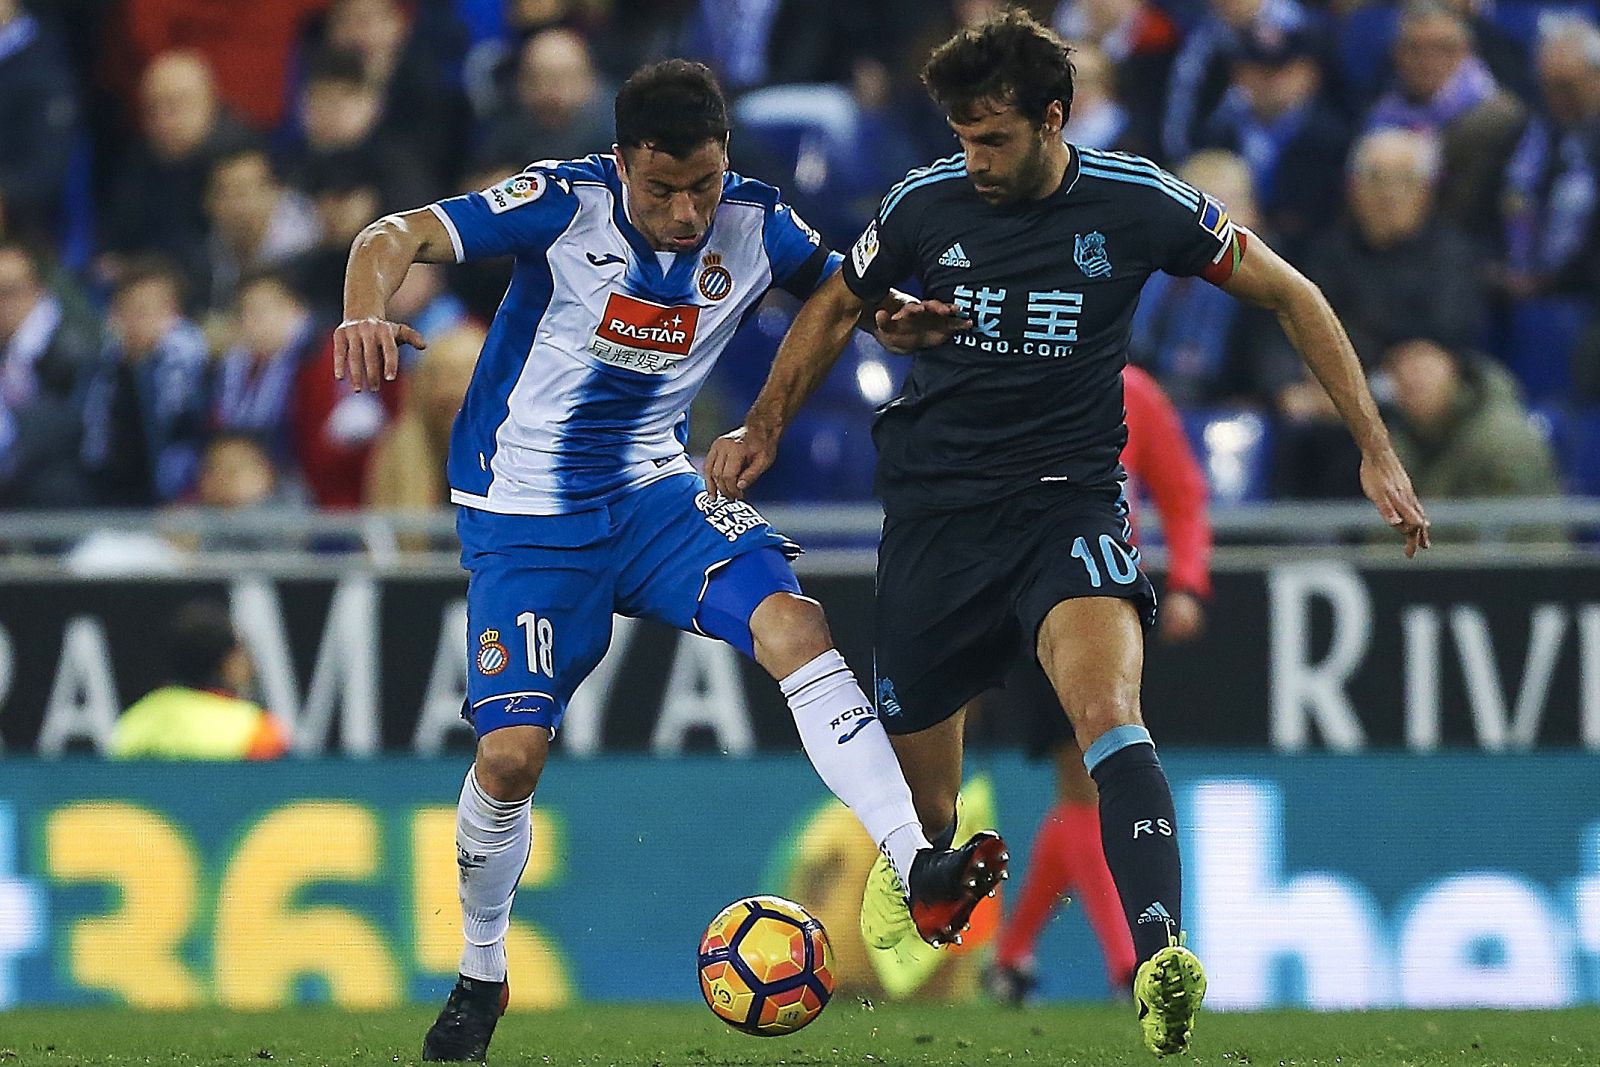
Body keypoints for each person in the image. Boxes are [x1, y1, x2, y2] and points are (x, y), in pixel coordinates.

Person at [705, 11, 1430, 1056]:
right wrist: (767, 422)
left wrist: (1374, 448)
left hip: (1068, 502)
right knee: (928, 804)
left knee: (1109, 713)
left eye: (993, 138)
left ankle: (1160, 956)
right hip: (937, 514)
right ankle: (924, 872)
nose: (974, 158)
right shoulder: (923, 203)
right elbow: (834, 303)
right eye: (962, 137)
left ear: (1055, 119)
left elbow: (1292, 292)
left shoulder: (1138, 202)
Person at [333, 59, 1003, 1063]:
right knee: (509, 758)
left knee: (796, 625)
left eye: (703, 185)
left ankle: (919, 867)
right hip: (528, 513)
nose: (688, 213)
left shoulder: (756, 221)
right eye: (662, 190)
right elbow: (392, 235)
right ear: (622, 164)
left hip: (656, 492)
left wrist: (892, 315)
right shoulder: (560, 202)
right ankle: (481, 971)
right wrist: (361, 307)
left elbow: (840, 292)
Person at [987, 364, 1211, 1005]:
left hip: (1101, 600)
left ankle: (1013, 957)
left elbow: (1181, 492)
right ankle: (1128, 967)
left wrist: (1189, 580)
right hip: (1020, 596)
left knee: (1080, 790)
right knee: (1085, 785)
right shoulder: (1005, 378)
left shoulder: (1132, 391)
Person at [1366, 0, 1526, 246]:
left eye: (1443, 48)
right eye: (1414, 48)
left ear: (1466, 52)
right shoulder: (1379, 115)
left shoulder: (1499, 119)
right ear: (1396, 54)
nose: (1427, 60)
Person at [109, 600, 289, 760]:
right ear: (228, 662)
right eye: (241, 651)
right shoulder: (257, 731)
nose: (250, 664)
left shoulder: (135, 720)